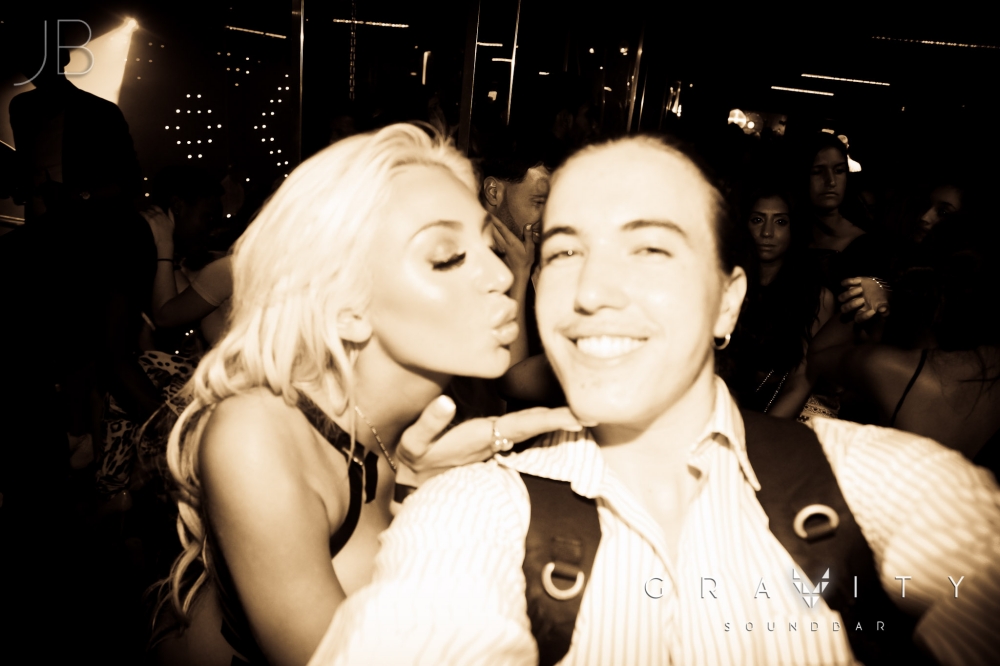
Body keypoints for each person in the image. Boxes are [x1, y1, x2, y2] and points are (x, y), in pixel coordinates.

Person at [308, 135, 1000, 666]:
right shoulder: (474, 512)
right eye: (565, 253)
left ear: (727, 301)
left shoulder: (878, 483)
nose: (591, 292)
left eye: (650, 251)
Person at [149, 123, 581, 666]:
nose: (499, 274)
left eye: (490, 246)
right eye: (447, 257)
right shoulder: (260, 431)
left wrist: (423, 498)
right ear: (348, 308)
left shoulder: (440, 421)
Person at [728, 188, 840, 418]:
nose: (767, 232)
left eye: (780, 222)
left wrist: (763, 430)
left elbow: (801, 380)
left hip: (785, 408)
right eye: (757, 220)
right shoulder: (725, 283)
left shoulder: (816, 297)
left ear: (794, 228)